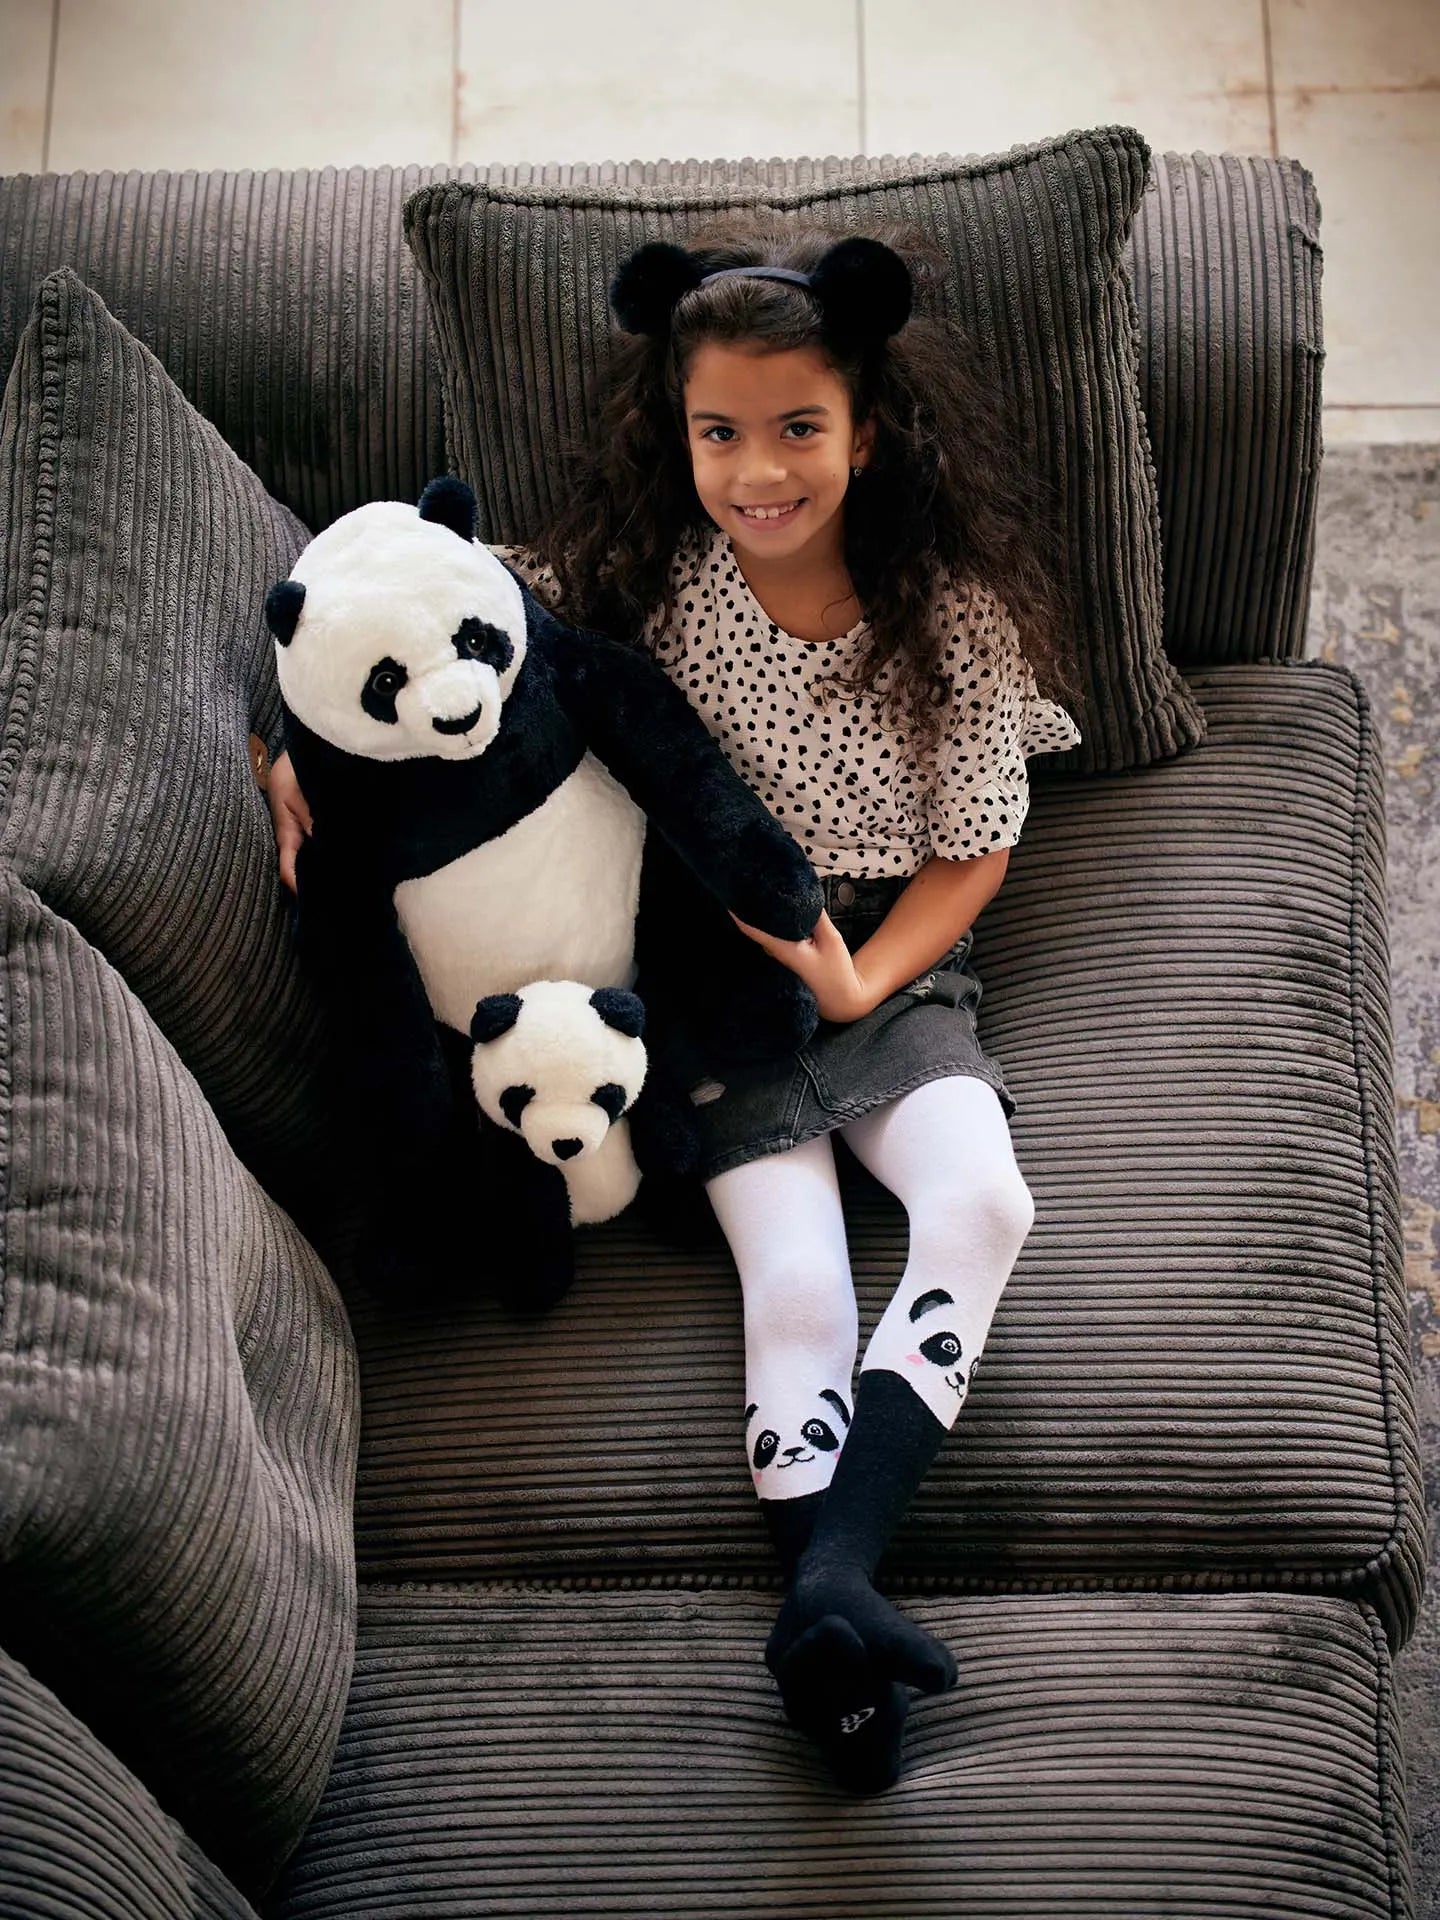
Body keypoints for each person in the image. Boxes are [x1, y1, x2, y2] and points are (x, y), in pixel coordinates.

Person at [266, 221, 1081, 1792]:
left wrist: (863, 974)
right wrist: (283, 745)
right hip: (709, 986)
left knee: (983, 1200)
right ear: (679, 432)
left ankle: (831, 1580)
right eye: (720, 433)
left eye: (798, 429)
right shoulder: (648, 585)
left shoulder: (949, 614)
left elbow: (978, 841)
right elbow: (415, 607)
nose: (757, 471)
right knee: (795, 1289)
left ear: (866, 429)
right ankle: (829, 1631)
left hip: (891, 969)